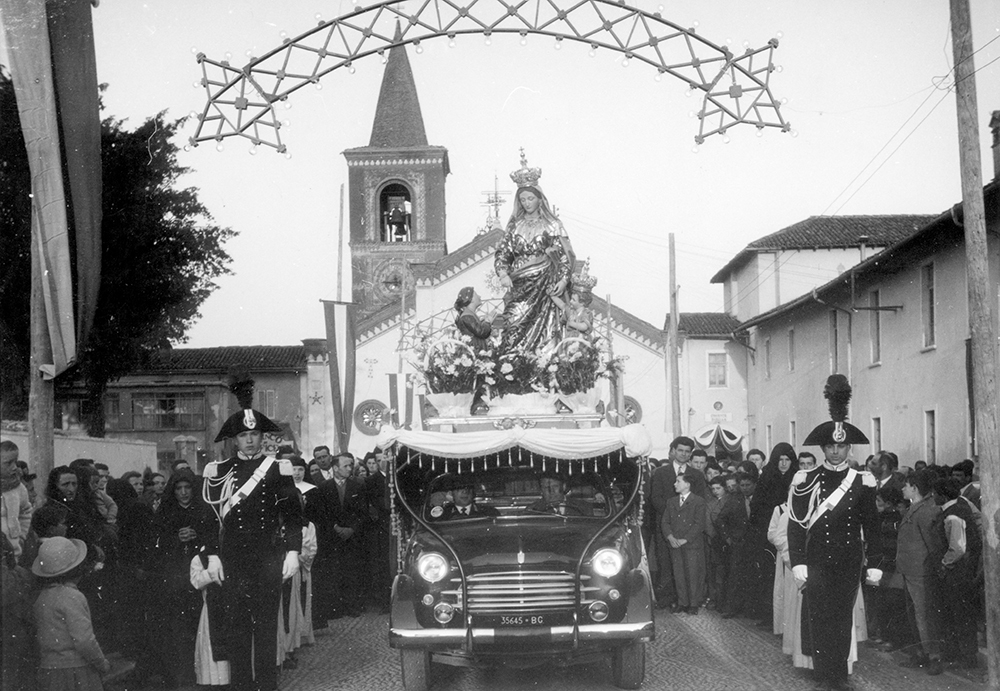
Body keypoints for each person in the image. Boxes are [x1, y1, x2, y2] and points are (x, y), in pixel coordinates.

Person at [200, 373, 303, 691]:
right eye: (244, 436)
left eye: (255, 434)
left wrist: (293, 551)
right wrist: (212, 557)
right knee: (236, 627)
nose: (250, 440)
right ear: (234, 439)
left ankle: (267, 685)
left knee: (267, 626)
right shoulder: (217, 471)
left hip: (267, 557)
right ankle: (242, 686)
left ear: (262, 437)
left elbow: (293, 516)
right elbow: (208, 520)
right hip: (231, 558)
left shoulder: (278, 469)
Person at [787, 375, 881, 690]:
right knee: (818, 616)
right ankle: (822, 671)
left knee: (841, 618)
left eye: (841, 445)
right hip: (815, 559)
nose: (836, 451)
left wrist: (876, 562)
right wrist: (798, 560)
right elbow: (796, 524)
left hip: (848, 559)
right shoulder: (806, 478)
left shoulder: (862, 480)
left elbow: (873, 525)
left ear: (848, 446)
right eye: (831, 445)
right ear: (824, 447)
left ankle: (838, 673)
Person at [494, 151, 574, 357]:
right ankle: (511, 363)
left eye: (530, 198)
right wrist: (503, 273)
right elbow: (503, 254)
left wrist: (563, 280)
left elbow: (565, 256)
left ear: (540, 199)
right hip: (519, 284)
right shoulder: (514, 226)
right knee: (513, 323)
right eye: (523, 200)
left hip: (545, 284)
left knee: (545, 330)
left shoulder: (553, 225)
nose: (527, 203)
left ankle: (543, 362)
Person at [32, 536, 111, 691]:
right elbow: (84, 641)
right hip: (76, 670)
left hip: (49, 669)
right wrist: (102, 663)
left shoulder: (41, 597)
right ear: (77, 569)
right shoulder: (73, 596)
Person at [650, 436, 705, 611]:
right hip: (666, 527)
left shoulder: (696, 475)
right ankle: (668, 599)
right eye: (680, 450)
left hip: (689, 530)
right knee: (666, 563)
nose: (683, 454)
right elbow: (655, 498)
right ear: (673, 450)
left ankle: (689, 600)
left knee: (689, 567)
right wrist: (671, 517)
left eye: (687, 451)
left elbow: (700, 501)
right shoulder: (660, 472)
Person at [313, 453, 368, 625]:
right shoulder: (323, 487)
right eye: (346, 466)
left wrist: (352, 529)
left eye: (351, 465)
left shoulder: (358, 486)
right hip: (332, 537)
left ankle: (352, 606)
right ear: (335, 468)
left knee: (352, 571)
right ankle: (335, 608)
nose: (350, 469)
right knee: (333, 571)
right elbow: (321, 513)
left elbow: (363, 512)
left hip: (352, 537)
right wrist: (336, 528)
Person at [932, 477, 981, 669]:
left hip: (958, 572)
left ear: (942, 495)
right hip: (958, 571)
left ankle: (968, 656)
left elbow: (958, 547)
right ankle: (962, 654)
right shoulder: (952, 511)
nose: (933, 496)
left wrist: (944, 564)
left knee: (961, 614)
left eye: (935, 493)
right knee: (956, 613)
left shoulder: (953, 515)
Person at [661, 469, 708, 614]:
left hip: (691, 544)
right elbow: (665, 522)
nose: (675, 484)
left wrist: (685, 539)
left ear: (687, 484)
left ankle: (693, 603)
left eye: (678, 481)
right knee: (679, 573)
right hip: (675, 543)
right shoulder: (671, 501)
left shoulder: (698, 501)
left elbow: (699, 524)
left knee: (693, 574)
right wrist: (670, 537)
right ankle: (682, 602)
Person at [1, 441, 32, 559]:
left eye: (15, 461)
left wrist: (21, 536)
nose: (14, 467)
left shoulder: (18, 488)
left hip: (14, 556)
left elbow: (26, 511)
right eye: (8, 463)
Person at [454, 287, 493, 353]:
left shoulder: (469, 314)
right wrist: (488, 321)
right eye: (476, 295)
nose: (479, 296)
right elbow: (481, 332)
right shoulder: (467, 316)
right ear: (471, 299)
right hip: (475, 351)